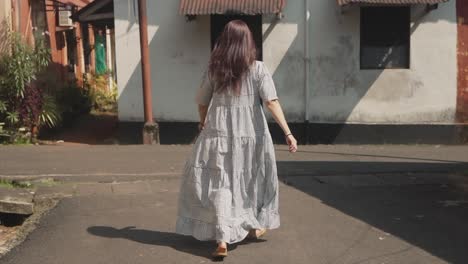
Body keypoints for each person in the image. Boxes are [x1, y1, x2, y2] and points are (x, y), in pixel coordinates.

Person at [175, 20, 298, 259]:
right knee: (251, 178)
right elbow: (271, 102)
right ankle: (251, 224)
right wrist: (288, 132)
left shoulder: (214, 69)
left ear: (224, 41)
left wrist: (203, 122)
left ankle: (223, 238)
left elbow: (202, 102)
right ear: (248, 42)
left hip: (218, 133)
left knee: (221, 181)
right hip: (251, 135)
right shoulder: (259, 68)